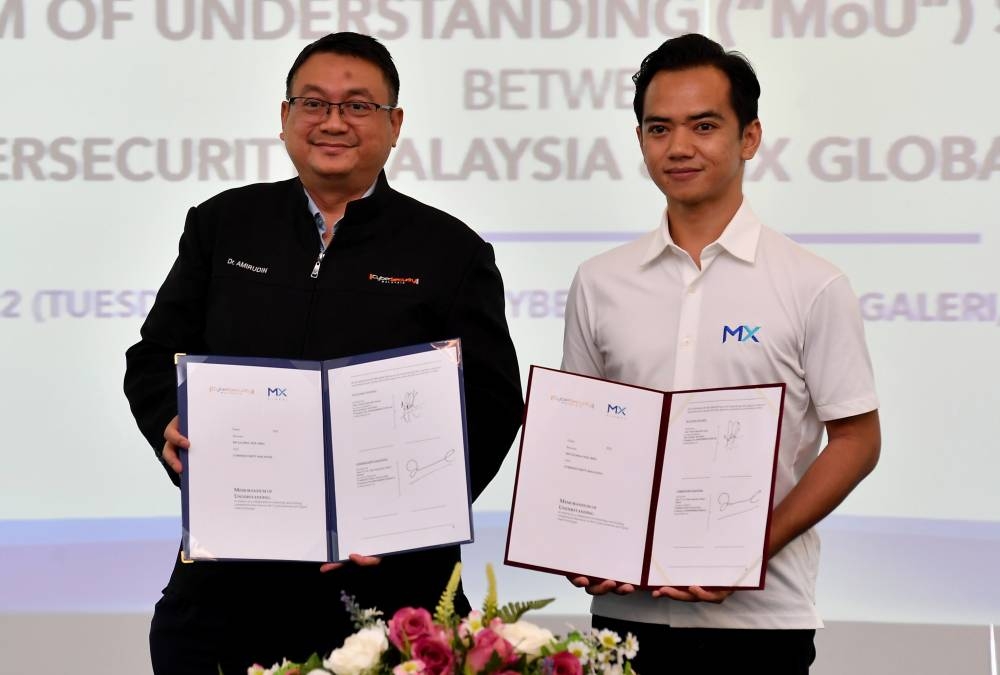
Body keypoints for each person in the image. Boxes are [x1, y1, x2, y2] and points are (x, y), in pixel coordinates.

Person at [124, 32, 523, 675]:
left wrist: (408, 519)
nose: (333, 121)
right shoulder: (223, 224)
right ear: (285, 117)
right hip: (226, 589)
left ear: (394, 125)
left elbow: (493, 404)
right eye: (313, 103)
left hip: (390, 597)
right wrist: (165, 419)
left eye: (358, 106)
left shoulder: (451, 251)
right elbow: (154, 356)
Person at [561, 33, 880, 674]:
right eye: (659, 128)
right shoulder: (599, 281)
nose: (679, 147)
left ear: (749, 137)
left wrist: (749, 550)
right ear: (641, 140)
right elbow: (582, 435)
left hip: (761, 622)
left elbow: (857, 439)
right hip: (624, 616)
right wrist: (581, 538)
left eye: (703, 126)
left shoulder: (812, 284)